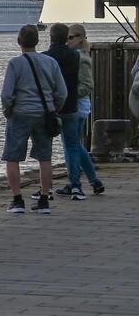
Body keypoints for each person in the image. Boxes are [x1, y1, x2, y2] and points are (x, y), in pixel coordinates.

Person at [3, 23, 63, 214]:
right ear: (38, 41)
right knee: (45, 158)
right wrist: (54, 108)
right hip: (44, 115)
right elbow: (62, 92)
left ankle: (17, 200)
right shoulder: (51, 62)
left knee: (13, 158)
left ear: (19, 42)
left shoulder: (15, 63)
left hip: (20, 114)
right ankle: (44, 200)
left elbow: (6, 94)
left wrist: (8, 109)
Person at [62, 23, 104, 201]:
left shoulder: (81, 58)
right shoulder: (78, 56)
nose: (67, 41)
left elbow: (87, 86)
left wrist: (68, 96)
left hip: (77, 106)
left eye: (70, 37)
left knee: (71, 145)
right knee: (75, 145)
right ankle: (94, 181)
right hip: (78, 106)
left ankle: (75, 184)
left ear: (80, 38)